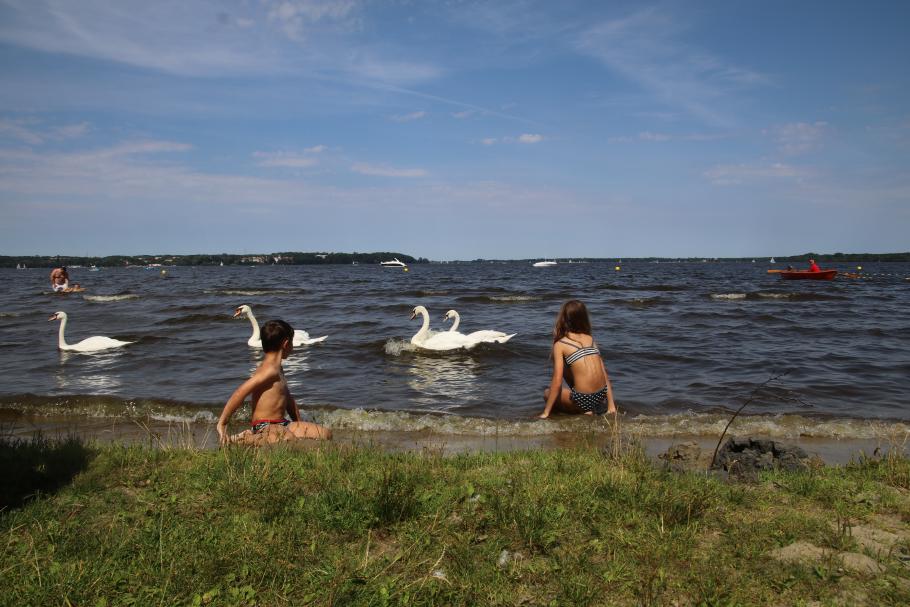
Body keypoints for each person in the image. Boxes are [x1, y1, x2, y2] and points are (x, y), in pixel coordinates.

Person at [217, 319, 331, 445]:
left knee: (324, 433)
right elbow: (240, 392)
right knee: (287, 438)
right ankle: (243, 438)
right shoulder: (269, 370)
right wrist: (223, 422)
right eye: (292, 342)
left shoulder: (278, 368)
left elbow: (287, 398)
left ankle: (271, 437)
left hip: (282, 423)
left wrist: (298, 423)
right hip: (264, 425)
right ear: (286, 344)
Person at [539, 300, 617, 419]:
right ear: (584, 318)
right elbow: (604, 373)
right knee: (570, 367)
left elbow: (557, 381)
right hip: (600, 397)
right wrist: (611, 406)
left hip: (583, 400)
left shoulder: (560, 344)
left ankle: (585, 410)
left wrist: (546, 412)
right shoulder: (590, 339)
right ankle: (591, 408)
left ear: (564, 319)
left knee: (547, 393)